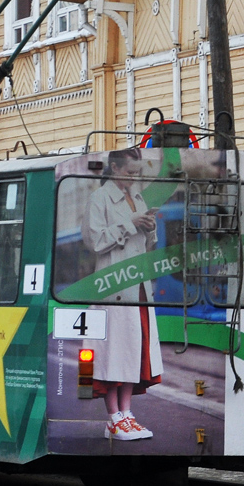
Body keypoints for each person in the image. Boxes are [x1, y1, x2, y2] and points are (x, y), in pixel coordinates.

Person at [81, 150, 163, 441]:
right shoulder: (99, 198)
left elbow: (144, 244)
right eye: (129, 173)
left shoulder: (138, 199)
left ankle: (126, 413)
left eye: (136, 173)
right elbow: (94, 241)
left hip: (137, 285)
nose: (133, 178)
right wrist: (132, 224)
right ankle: (114, 416)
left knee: (133, 349)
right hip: (113, 287)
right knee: (112, 352)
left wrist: (150, 229)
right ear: (114, 168)